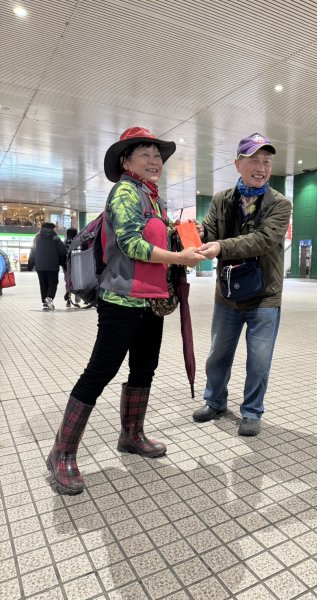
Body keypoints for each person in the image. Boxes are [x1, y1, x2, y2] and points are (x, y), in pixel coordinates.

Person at [46, 127, 204, 495]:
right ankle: (62, 452)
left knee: (144, 366)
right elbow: (130, 243)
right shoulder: (124, 193)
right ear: (126, 161)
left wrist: (187, 238)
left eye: (158, 156)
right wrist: (178, 256)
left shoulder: (154, 199)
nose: (154, 161)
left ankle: (132, 434)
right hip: (120, 301)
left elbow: (159, 236)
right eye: (145, 154)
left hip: (152, 299)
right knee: (100, 370)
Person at [192, 132, 291, 436]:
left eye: (266, 161)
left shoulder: (279, 204)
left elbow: (264, 240)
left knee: (259, 361)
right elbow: (208, 232)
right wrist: (198, 231)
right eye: (254, 160)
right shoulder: (223, 199)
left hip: (264, 297)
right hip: (228, 295)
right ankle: (215, 400)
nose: (261, 167)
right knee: (218, 354)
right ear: (238, 164)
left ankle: (251, 411)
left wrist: (221, 246)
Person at [28, 222, 67, 310]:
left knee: (43, 284)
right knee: (53, 283)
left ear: (42, 228)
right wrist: (62, 262)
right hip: (52, 265)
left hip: (40, 266)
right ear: (53, 229)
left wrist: (31, 264)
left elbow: (32, 251)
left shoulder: (36, 237)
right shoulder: (55, 238)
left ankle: (45, 303)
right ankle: (49, 298)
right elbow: (62, 251)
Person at [63, 227, 81, 307]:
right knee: (77, 281)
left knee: (68, 282)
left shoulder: (64, 241)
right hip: (76, 264)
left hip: (66, 265)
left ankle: (68, 300)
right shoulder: (78, 241)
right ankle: (77, 300)